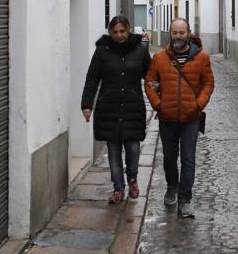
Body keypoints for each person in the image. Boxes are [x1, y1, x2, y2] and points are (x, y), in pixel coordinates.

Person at [144, 17, 214, 219]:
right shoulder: (159, 58)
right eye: (175, 32)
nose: (178, 36)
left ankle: (185, 200)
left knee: (188, 158)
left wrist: (198, 104)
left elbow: (208, 83)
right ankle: (172, 186)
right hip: (167, 118)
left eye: (182, 32)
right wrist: (158, 105)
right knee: (169, 157)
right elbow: (149, 82)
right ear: (170, 33)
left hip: (191, 118)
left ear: (189, 33)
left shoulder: (202, 58)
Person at [81, 15, 150, 204]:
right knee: (113, 149)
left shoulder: (140, 50)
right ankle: (118, 188)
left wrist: (158, 95)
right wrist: (87, 105)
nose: (119, 35)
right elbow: (92, 79)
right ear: (110, 33)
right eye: (115, 32)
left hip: (133, 106)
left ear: (128, 30)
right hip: (109, 107)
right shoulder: (102, 51)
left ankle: (133, 178)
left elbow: (150, 76)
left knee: (133, 147)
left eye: (122, 31)